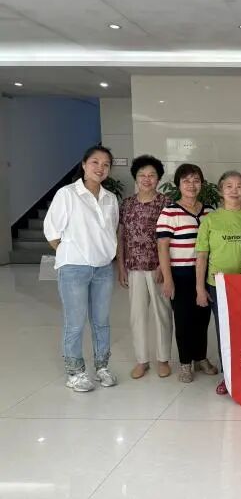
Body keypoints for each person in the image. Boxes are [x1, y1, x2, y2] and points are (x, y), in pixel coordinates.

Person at [43, 145, 119, 392]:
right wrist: (71, 253)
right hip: (74, 268)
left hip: (103, 269)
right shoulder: (67, 194)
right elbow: (52, 231)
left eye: (106, 164)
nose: (100, 168)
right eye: (95, 162)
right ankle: (75, 372)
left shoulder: (110, 198)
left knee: (101, 321)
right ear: (84, 165)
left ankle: (102, 367)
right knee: (75, 323)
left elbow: (111, 231)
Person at [195, 170, 241, 394]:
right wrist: (200, 288)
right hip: (219, 286)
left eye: (239, 186)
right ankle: (228, 377)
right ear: (221, 190)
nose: (234, 190)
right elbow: (202, 256)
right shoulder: (210, 220)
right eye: (229, 186)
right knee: (224, 331)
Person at [157, 164, 217, 384]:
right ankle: (185, 363)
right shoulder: (169, 212)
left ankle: (200, 358)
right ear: (178, 185)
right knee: (183, 320)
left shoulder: (210, 211)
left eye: (196, 180)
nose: (192, 185)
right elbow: (162, 247)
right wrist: (168, 279)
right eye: (186, 181)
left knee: (202, 317)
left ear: (202, 183)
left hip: (205, 273)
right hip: (180, 273)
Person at [117, 155, 172, 380]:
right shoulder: (127, 204)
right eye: (142, 175)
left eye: (152, 175)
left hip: (158, 267)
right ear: (136, 178)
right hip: (134, 267)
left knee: (162, 314)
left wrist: (164, 267)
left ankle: (163, 360)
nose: (147, 179)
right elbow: (122, 235)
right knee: (137, 315)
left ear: (158, 178)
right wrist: (121, 266)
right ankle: (142, 360)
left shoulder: (166, 202)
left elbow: (171, 238)